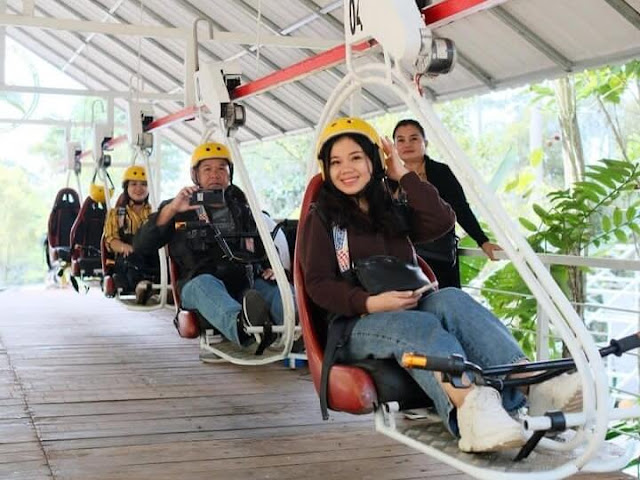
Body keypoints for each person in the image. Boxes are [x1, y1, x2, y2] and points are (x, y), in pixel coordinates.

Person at [299, 117, 581, 453]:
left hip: (409, 305)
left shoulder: (389, 206)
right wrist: (372, 303)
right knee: (418, 322)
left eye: (356, 157)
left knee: (450, 298)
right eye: (336, 162)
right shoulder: (324, 217)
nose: (346, 168)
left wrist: (404, 175)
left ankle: (533, 386)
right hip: (355, 325)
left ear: (375, 160)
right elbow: (317, 284)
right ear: (326, 169)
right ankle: (472, 408)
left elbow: (441, 220)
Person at [134, 142, 291, 359]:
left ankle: (294, 331)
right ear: (195, 175)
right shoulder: (180, 208)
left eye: (221, 169)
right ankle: (244, 329)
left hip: (245, 285)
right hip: (200, 288)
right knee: (203, 285)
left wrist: (273, 269)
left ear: (229, 174)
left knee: (278, 288)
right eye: (207, 169)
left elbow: (266, 248)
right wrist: (171, 210)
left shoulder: (245, 210)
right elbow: (141, 245)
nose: (215, 175)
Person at [393, 119, 501, 288]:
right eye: (401, 140)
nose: (407, 144)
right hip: (403, 259)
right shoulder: (389, 177)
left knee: (444, 304)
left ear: (425, 143)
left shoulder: (441, 172)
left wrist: (483, 241)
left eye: (414, 138)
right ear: (394, 146)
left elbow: (460, 208)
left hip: (439, 256)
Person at [103, 165, 159, 304]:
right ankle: (143, 287)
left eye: (143, 184)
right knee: (131, 260)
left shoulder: (155, 212)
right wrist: (124, 247)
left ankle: (156, 287)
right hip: (128, 256)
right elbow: (110, 240)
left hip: (150, 255)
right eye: (133, 184)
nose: (139, 189)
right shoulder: (116, 214)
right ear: (126, 188)